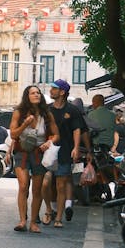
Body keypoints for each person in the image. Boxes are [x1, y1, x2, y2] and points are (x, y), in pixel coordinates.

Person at [6, 84, 58, 233]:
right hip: (21, 152)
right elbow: (13, 134)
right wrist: (25, 124)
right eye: (33, 93)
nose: (36, 95)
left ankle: (33, 222)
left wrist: (49, 142)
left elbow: (56, 134)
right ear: (27, 96)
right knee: (23, 186)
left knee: (37, 189)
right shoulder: (19, 113)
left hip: (39, 153)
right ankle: (22, 220)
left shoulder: (47, 114)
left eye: (38, 93)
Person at [46, 79, 85, 226]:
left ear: (62, 92)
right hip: (48, 152)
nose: (51, 90)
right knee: (46, 183)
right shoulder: (47, 109)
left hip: (64, 151)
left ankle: (58, 218)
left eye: (54, 88)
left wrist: (75, 148)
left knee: (61, 185)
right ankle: (49, 210)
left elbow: (77, 130)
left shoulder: (72, 110)